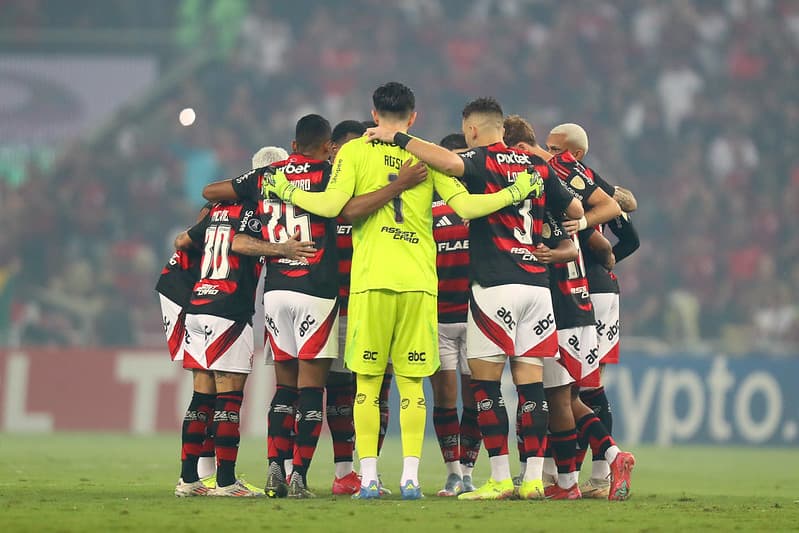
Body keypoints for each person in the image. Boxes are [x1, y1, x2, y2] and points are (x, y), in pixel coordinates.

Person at [263, 82, 544, 500]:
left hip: (371, 282)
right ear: (414, 118)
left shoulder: (355, 151)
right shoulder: (425, 154)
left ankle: (370, 478)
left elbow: (329, 207)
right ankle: (411, 477)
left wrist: (283, 188)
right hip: (418, 285)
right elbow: (466, 208)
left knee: (367, 385)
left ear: (374, 115)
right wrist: (515, 192)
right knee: (413, 385)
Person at [367, 96, 584, 501]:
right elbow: (574, 207)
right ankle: (534, 478)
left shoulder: (483, 160)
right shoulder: (538, 166)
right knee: (529, 384)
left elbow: (447, 163)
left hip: (495, 286)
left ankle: (500, 478)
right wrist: (576, 222)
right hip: (536, 286)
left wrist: (396, 136)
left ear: (471, 130)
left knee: (485, 386)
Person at [175, 200, 316, 497]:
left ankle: (188, 480)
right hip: (228, 309)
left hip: (199, 303)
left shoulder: (218, 210)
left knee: (201, 397)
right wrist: (281, 249)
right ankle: (226, 482)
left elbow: (181, 240)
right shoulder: (251, 210)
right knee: (229, 398)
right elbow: (239, 243)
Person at [546, 123, 639, 500]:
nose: (548, 153)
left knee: (582, 386)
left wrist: (603, 260)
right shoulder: (583, 184)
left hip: (587, 290)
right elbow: (623, 205)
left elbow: (625, 234)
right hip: (584, 287)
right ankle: (580, 472)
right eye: (546, 147)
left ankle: (596, 473)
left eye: (555, 148)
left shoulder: (577, 191)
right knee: (574, 387)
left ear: (576, 154)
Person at [429, 132, 481, 497]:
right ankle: (452, 472)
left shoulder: (484, 208)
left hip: (478, 316)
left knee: (477, 399)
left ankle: (468, 471)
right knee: (446, 399)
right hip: (438, 318)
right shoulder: (426, 210)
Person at [157, 203, 216, 496]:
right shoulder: (219, 217)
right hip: (182, 298)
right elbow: (185, 237)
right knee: (208, 387)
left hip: (188, 296)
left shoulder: (219, 216)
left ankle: (201, 474)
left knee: (209, 389)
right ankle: (199, 475)